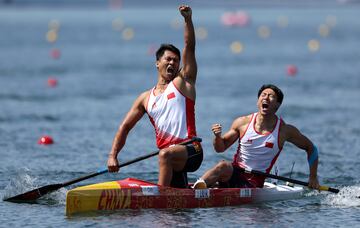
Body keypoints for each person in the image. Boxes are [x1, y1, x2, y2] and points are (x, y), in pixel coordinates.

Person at [107, 5, 203, 188]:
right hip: (170, 158)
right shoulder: (145, 98)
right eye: (168, 59)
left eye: (176, 60)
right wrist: (113, 155)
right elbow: (125, 127)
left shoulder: (184, 83)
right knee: (177, 210)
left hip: (192, 150)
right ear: (157, 64)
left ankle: (160, 197)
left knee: (164, 155)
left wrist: (187, 19)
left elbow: (189, 47)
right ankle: (182, 193)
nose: (173, 62)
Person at [192, 84, 320, 189]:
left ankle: (206, 187)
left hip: (254, 182)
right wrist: (217, 137)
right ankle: (195, 189)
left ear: (278, 105)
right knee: (223, 165)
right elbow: (220, 148)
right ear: (258, 101)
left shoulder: (284, 131)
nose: (266, 98)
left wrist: (313, 177)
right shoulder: (242, 122)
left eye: (271, 96)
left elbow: (311, 148)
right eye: (263, 95)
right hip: (233, 173)